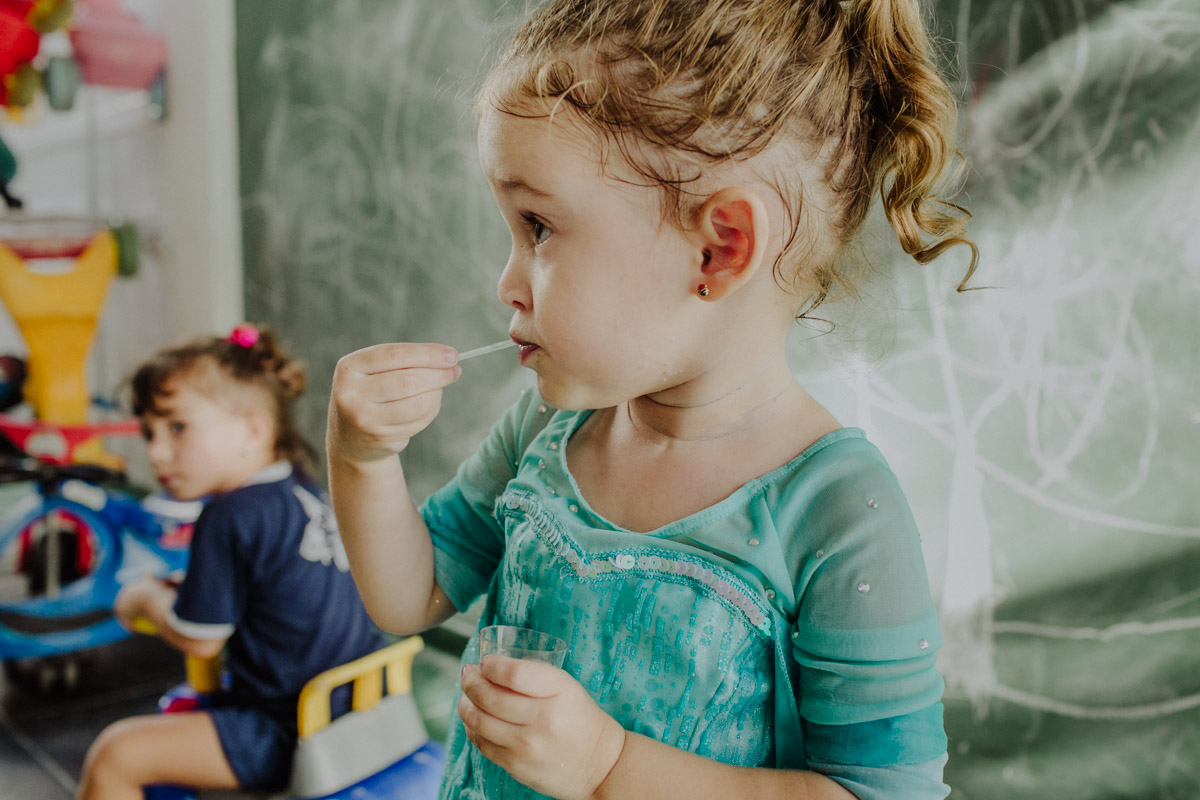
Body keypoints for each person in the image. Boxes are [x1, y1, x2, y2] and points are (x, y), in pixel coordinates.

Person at [328, 0, 977, 797]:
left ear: (719, 247)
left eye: (538, 227)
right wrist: (362, 457)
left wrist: (609, 766)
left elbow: (882, 794)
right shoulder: (546, 430)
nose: (506, 282)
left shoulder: (838, 512)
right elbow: (409, 594)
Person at [77, 324, 384, 800]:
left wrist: (142, 598)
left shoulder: (228, 514)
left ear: (252, 429)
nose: (156, 452)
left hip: (285, 732)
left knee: (115, 754)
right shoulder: (301, 490)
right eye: (149, 432)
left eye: (177, 427)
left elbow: (198, 640)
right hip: (358, 712)